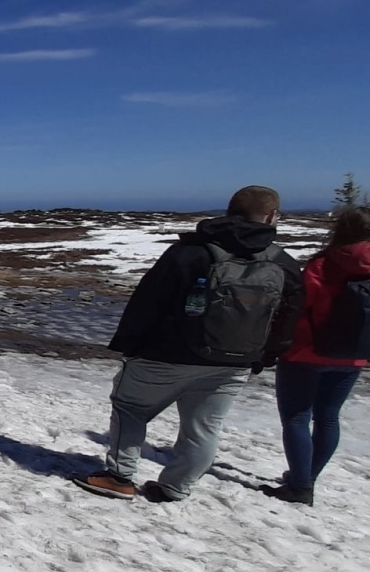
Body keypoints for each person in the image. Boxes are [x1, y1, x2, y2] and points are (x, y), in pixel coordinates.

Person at [77, 185, 304, 502]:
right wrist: (264, 357)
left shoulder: (190, 252)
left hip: (166, 355)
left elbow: (149, 301)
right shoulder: (284, 263)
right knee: (204, 427)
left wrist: (130, 344)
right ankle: (175, 487)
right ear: (271, 216)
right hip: (235, 361)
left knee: (130, 408)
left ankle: (119, 477)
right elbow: (288, 319)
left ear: (229, 210)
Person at [263, 207, 370, 506]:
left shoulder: (323, 265)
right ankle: (307, 476)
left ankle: (300, 485)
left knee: (297, 417)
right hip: (354, 355)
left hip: (305, 352)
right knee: (328, 417)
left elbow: (298, 305)